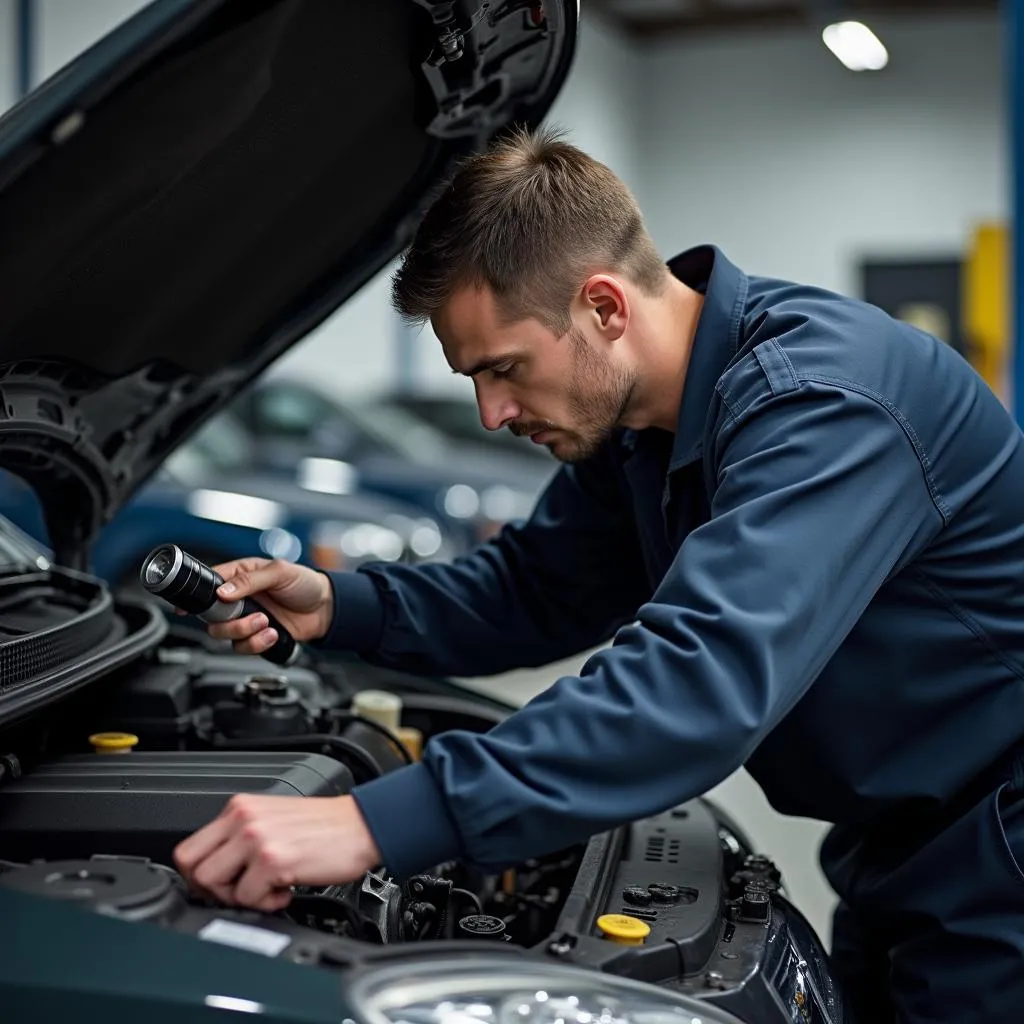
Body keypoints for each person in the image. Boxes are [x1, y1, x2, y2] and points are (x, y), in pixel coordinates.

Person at [173, 127, 1024, 1023]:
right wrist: (340, 603)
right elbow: (537, 589)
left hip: (999, 845)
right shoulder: (640, 428)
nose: (492, 413)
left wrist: (373, 824)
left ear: (605, 308)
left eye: (504, 370)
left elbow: (697, 679)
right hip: (901, 845)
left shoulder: (824, 405)